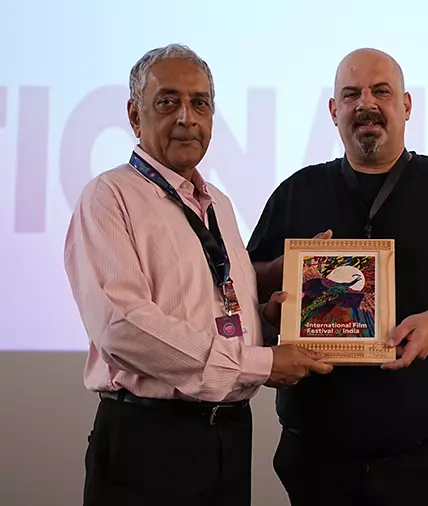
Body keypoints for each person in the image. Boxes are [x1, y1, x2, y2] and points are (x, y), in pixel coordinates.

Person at [248, 47, 428, 506]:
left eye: (381, 91)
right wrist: (287, 276)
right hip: (315, 457)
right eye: (351, 94)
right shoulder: (297, 191)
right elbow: (247, 282)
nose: (366, 104)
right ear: (333, 110)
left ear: (406, 105)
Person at [63, 43, 333, 506]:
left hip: (229, 437)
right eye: (168, 102)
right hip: (149, 440)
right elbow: (122, 329)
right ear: (134, 115)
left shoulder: (218, 205)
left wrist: (268, 323)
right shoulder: (108, 197)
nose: (187, 117)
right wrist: (261, 362)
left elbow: (213, 309)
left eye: (200, 103)